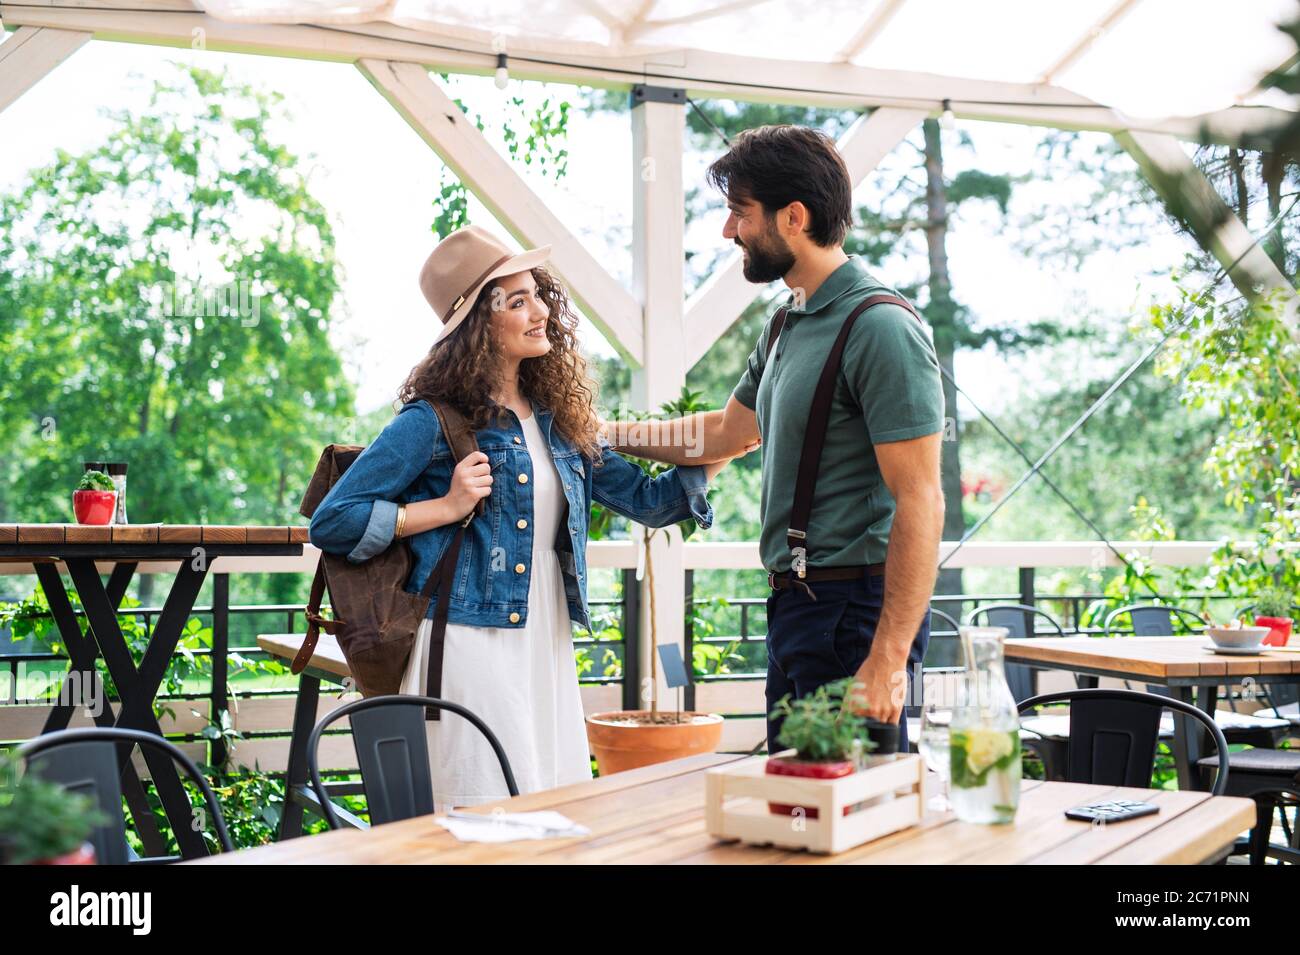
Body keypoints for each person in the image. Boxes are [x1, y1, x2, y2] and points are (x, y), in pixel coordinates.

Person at [310, 225, 731, 808]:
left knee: (548, 808)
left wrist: (735, 443)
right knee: (481, 811)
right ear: (479, 327)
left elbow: (653, 503)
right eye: (516, 302)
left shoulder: (561, 423)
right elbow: (332, 522)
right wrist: (445, 507)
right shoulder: (433, 420)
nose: (540, 312)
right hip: (466, 642)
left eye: (536, 295)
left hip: (545, 639)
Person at [605, 125, 946, 752]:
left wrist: (889, 657)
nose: (729, 231)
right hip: (797, 609)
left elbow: (921, 499)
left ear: (794, 217)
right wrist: (604, 433)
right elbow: (728, 433)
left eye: (740, 212)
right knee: (797, 810)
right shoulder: (787, 320)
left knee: (853, 821)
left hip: (854, 614)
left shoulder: (881, 327)